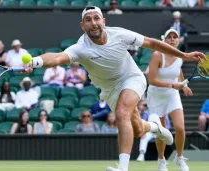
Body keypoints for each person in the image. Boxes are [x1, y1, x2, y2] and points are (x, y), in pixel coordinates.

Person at [22, 6, 205, 171]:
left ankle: (123, 168)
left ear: (103, 21)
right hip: (109, 90)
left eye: (96, 18)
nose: (93, 23)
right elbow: (55, 58)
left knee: (122, 112)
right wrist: (34, 61)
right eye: (88, 20)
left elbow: (153, 43)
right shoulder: (80, 48)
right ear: (82, 25)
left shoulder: (120, 35)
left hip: (132, 78)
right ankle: (156, 127)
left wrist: (184, 55)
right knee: (139, 129)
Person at [147, 29, 193, 171]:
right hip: (156, 96)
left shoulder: (180, 57)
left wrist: (183, 85)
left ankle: (179, 158)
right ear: (164, 40)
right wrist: (173, 84)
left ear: (178, 41)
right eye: (169, 37)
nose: (172, 39)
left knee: (180, 128)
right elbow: (151, 80)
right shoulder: (157, 55)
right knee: (162, 131)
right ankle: (161, 159)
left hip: (172, 95)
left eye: (175, 37)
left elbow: (178, 71)